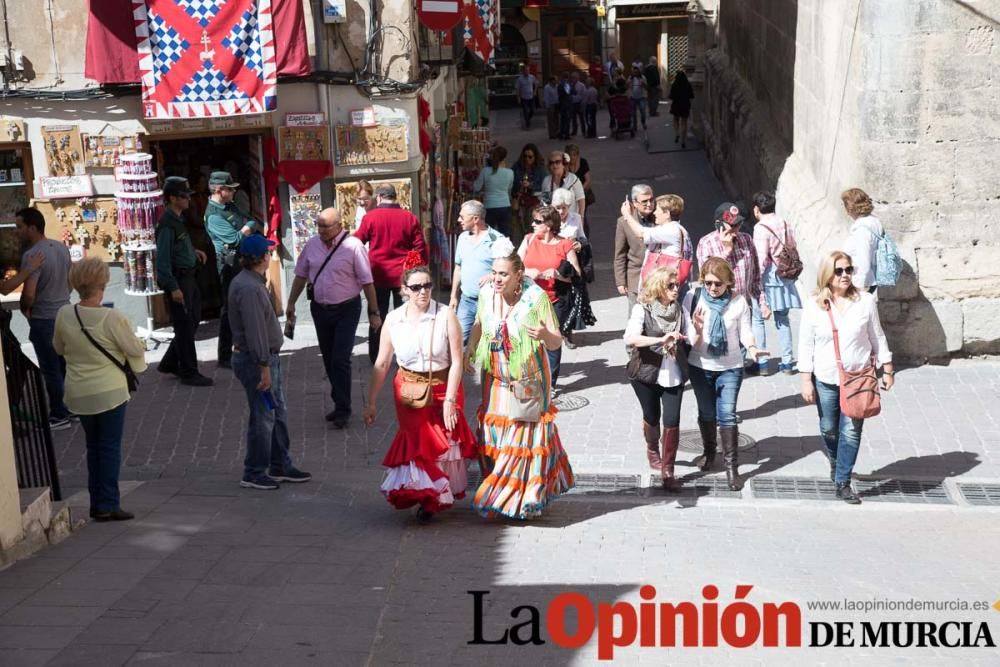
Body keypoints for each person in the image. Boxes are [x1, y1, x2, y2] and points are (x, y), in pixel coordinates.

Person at [466, 240, 575, 519]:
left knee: (521, 443)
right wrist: (469, 348)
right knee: (494, 438)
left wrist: (543, 335)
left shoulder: (535, 297)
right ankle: (505, 494)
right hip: (495, 378)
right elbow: (479, 323)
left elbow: (555, 341)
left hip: (528, 379)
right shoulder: (487, 293)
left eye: (503, 274)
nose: (497, 279)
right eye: (494, 272)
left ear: (518, 275)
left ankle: (520, 500)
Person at [365, 258, 478, 520]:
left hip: (443, 387)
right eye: (416, 287)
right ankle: (427, 499)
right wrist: (370, 402)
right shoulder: (393, 320)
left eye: (427, 285)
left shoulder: (445, 315)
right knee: (419, 442)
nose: (423, 292)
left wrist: (450, 399)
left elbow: (457, 361)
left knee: (444, 444)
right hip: (408, 390)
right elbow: (382, 362)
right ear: (404, 289)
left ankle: (436, 494)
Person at [53, 258, 146, 520]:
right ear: (102, 284)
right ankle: (107, 504)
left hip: (79, 391)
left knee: (93, 447)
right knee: (108, 448)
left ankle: (98, 502)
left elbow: (58, 348)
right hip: (110, 392)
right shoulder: (112, 317)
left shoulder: (64, 313)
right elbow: (135, 349)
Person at [799, 251, 894, 504]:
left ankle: (843, 480)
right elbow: (806, 344)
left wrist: (887, 367)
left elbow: (877, 336)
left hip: (858, 376)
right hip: (826, 377)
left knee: (851, 431)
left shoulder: (865, 300)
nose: (845, 275)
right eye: (839, 271)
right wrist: (805, 379)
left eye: (848, 270)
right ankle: (836, 460)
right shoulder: (814, 305)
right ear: (827, 275)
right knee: (829, 428)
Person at [229, 235, 311, 490]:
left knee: (275, 411)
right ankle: (254, 471)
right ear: (262, 258)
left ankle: (278, 464)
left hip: (263, 360)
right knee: (264, 415)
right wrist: (263, 366)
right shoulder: (250, 288)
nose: (271, 255)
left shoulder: (252, 283)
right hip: (258, 363)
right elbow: (255, 332)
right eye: (268, 252)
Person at [287, 208, 380, 429]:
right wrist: (290, 302)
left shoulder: (353, 246)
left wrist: (374, 313)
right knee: (329, 359)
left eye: (325, 226)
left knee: (340, 359)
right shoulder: (311, 245)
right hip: (320, 309)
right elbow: (301, 274)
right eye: (318, 225)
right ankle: (339, 400)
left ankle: (343, 409)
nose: (320, 230)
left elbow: (367, 282)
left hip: (347, 308)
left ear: (339, 225)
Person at [684, 257, 767, 491]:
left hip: (730, 367)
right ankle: (709, 452)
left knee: (727, 415)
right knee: (706, 413)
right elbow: (691, 340)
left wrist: (752, 348)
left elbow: (746, 332)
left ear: (728, 282)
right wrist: (698, 329)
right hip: (700, 366)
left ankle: (732, 468)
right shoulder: (694, 298)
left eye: (717, 284)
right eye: (708, 283)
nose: (712, 288)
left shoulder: (739, 302)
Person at [624, 266, 688, 490]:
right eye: (670, 286)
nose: (675, 289)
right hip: (646, 374)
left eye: (676, 285)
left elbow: (693, 338)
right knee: (652, 417)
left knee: (672, 421)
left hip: (674, 374)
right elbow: (631, 338)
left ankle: (668, 471)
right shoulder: (643, 310)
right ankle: (652, 448)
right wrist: (660, 340)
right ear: (658, 287)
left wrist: (695, 333)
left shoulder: (680, 310)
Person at [354, 183, 427, 364]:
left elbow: (357, 241)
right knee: (406, 316)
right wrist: (420, 272)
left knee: (377, 313)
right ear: (395, 197)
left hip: (377, 275)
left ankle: (376, 355)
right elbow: (420, 247)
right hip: (403, 277)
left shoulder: (370, 217)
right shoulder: (409, 218)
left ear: (378, 197)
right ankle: (407, 354)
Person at [15, 207, 74, 428]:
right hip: (63, 313)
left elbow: (29, 294)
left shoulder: (32, 256)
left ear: (33, 227)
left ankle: (59, 414)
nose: (17, 231)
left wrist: (25, 308)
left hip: (44, 318)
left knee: (51, 369)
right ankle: (73, 409)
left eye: (19, 227)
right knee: (65, 365)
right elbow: (70, 281)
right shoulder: (61, 248)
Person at [155, 177, 213, 387]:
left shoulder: (178, 218)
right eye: (183, 195)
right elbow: (162, 260)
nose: (188, 198)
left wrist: (193, 252)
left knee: (193, 319)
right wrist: (173, 287)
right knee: (185, 326)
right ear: (172, 198)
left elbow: (178, 248)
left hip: (189, 276)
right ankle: (189, 372)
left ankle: (170, 361)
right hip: (179, 280)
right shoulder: (167, 223)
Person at [204, 171, 264, 369]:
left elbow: (251, 220)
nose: (233, 191)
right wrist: (245, 229)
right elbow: (235, 239)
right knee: (229, 309)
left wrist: (246, 229)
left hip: (241, 260)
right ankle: (225, 356)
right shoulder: (213, 215)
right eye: (230, 189)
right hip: (229, 264)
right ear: (220, 190)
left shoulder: (230, 206)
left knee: (244, 304)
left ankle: (245, 347)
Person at [518, 205, 581, 389]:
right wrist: (529, 272)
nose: (533, 224)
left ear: (549, 224)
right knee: (528, 337)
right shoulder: (529, 240)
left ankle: (549, 384)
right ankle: (530, 377)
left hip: (555, 300)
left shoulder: (564, 245)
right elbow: (514, 266)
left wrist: (556, 274)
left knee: (551, 340)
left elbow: (576, 275)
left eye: (537, 221)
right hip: (528, 299)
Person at [696, 202, 764, 349]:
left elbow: (755, 274)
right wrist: (726, 251)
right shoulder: (706, 243)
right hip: (718, 307)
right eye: (732, 225)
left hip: (742, 304)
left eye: (738, 224)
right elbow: (707, 273)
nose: (736, 229)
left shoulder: (746, 240)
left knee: (740, 349)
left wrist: (762, 301)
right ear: (719, 225)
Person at [751, 191, 802, 375]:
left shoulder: (761, 228)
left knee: (758, 319)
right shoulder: (784, 222)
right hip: (784, 276)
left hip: (769, 278)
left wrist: (754, 278)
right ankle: (787, 362)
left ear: (757, 209)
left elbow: (761, 258)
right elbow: (792, 244)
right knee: (783, 319)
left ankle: (762, 363)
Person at [449, 200, 507, 343]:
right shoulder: (462, 238)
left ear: (475, 219)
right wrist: (453, 296)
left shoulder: (496, 239)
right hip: (466, 301)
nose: (458, 220)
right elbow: (458, 268)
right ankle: (463, 365)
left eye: (462, 217)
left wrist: (492, 275)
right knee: (460, 340)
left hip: (491, 301)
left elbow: (508, 269)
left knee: (491, 342)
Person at [618, 193, 695, 295]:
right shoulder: (672, 229)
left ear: (667, 213)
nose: (654, 213)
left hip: (665, 289)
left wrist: (627, 215)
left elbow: (641, 233)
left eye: (657, 210)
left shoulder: (671, 230)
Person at [614, 184, 658, 312]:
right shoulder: (624, 222)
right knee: (635, 316)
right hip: (636, 277)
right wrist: (621, 281)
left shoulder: (660, 217)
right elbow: (620, 254)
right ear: (634, 202)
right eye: (644, 201)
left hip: (658, 275)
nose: (649, 204)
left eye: (651, 200)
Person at [840, 188, 884, 294]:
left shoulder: (862, 229)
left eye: (845, 205)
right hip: (868, 279)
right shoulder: (873, 222)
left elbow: (864, 257)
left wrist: (859, 287)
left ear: (850, 207)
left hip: (861, 282)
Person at [472, 145, 515, 238]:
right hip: (505, 205)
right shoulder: (510, 172)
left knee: (488, 235)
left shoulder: (485, 171)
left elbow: (476, 187)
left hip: (489, 206)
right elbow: (509, 187)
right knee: (505, 235)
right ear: (504, 158)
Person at [510, 143, 547, 246]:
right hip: (519, 200)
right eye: (525, 156)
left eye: (530, 157)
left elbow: (544, 185)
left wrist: (531, 185)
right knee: (517, 225)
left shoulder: (540, 169)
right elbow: (511, 181)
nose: (527, 159)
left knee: (530, 225)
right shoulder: (517, 167)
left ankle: (530, 245)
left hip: (533, 201)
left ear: (535, 157)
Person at [542, 151, 585, 216]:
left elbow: (581, 200)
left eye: (557, 162)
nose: (554, 165)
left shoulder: (573, 179)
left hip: (571, 220)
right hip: (553, 221)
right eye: (551, 163)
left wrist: (581, 218)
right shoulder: (546, 180)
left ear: (564, 164)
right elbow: (546, 203)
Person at [668, 70, 695, 148]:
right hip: (685, 105)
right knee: (684, 122)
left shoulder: (674, 85)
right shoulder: (688, 85)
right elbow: (692, 96)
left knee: (675, 120)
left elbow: (671, 96)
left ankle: (677, 134)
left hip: (676, 105)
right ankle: (683, 141)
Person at [515, 64, 538, 129]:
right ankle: (528, 124)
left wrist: (535, 91)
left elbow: (536, 83)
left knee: (533, 110)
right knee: (525, 111)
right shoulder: (520, 79)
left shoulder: (532, 77)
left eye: (528, 70)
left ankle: (528, 119)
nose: (527, 72)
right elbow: (517, 89)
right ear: (523, 71)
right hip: (524, 98)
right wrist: (518, 98)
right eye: (526, 70)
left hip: (531, 97)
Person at [628, 65, 648, 131]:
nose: (635, 74)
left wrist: (643, 84)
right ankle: (634, 126)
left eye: (636, 72)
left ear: (639, 72)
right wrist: (628, 83)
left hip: (642, 97)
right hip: (633, 97)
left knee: (642, 111)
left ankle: (643, 122)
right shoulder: (630, 78)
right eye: (634, 72)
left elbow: (647, 87)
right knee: (633, 113)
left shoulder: (642, 77)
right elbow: (626, 86)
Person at [557, 71, 574, 141]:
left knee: (563, 120)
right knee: (567, 120)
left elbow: (559, 94)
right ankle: (566, 134)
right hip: (567, 104)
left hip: (562, 104)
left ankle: (561, 133)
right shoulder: (566, 85)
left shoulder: (560, 85)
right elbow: (571, 92)